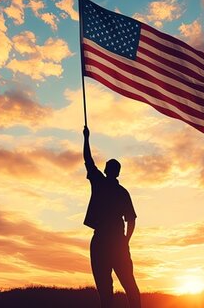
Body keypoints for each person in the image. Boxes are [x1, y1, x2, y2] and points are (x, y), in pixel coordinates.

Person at [82, 126, 141, 308]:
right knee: (120, 286)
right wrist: (126, 240)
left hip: (108, 241)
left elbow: (88, 160)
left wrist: (86, 138)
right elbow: (131, 220)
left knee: (118, 286)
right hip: (109, 241)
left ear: (109, 170)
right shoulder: (118, 191)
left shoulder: (103, 184)